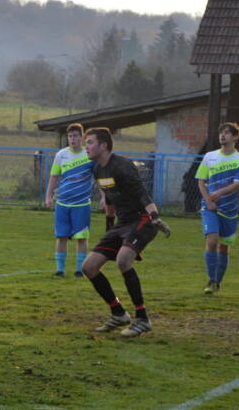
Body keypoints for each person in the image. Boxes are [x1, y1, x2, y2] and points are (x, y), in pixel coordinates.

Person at [81, 127, 171, 338]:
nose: (86, 147)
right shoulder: (97, 170)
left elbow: (142, 193)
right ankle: (119, 313)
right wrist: (110, 228)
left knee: (123, 260)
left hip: (142, 219)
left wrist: (154, 217)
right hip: (122, 223)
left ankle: (143, 318)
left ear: (104, 145)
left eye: (90, 142)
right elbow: (109, 199)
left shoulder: (122, 166)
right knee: (89, 267)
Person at [196, 122, 239, 294]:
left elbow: (238, 184)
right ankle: (211, 280)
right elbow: (201, 181)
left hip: (229, 210)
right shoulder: (209, 156)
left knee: (224, 247)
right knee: (212, 241)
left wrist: (219, 193)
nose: (222, 136)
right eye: (221, 133)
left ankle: (217, 282)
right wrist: (208, 201)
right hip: (210, 207)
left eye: (227, 133)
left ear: (235, 137)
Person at [45, 123, 93, 277]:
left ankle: (80, 270)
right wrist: (48, 195)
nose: (72, 139)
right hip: (62, 203)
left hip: (82, 204)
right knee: (61, 236)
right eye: (70, 136)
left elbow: (99, 177)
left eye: (75, 136)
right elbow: (54, 176)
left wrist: (105, 197)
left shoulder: (89, 154)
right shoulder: (61, 155)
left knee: (81, 237)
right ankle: (60, 270)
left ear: (82, 137)